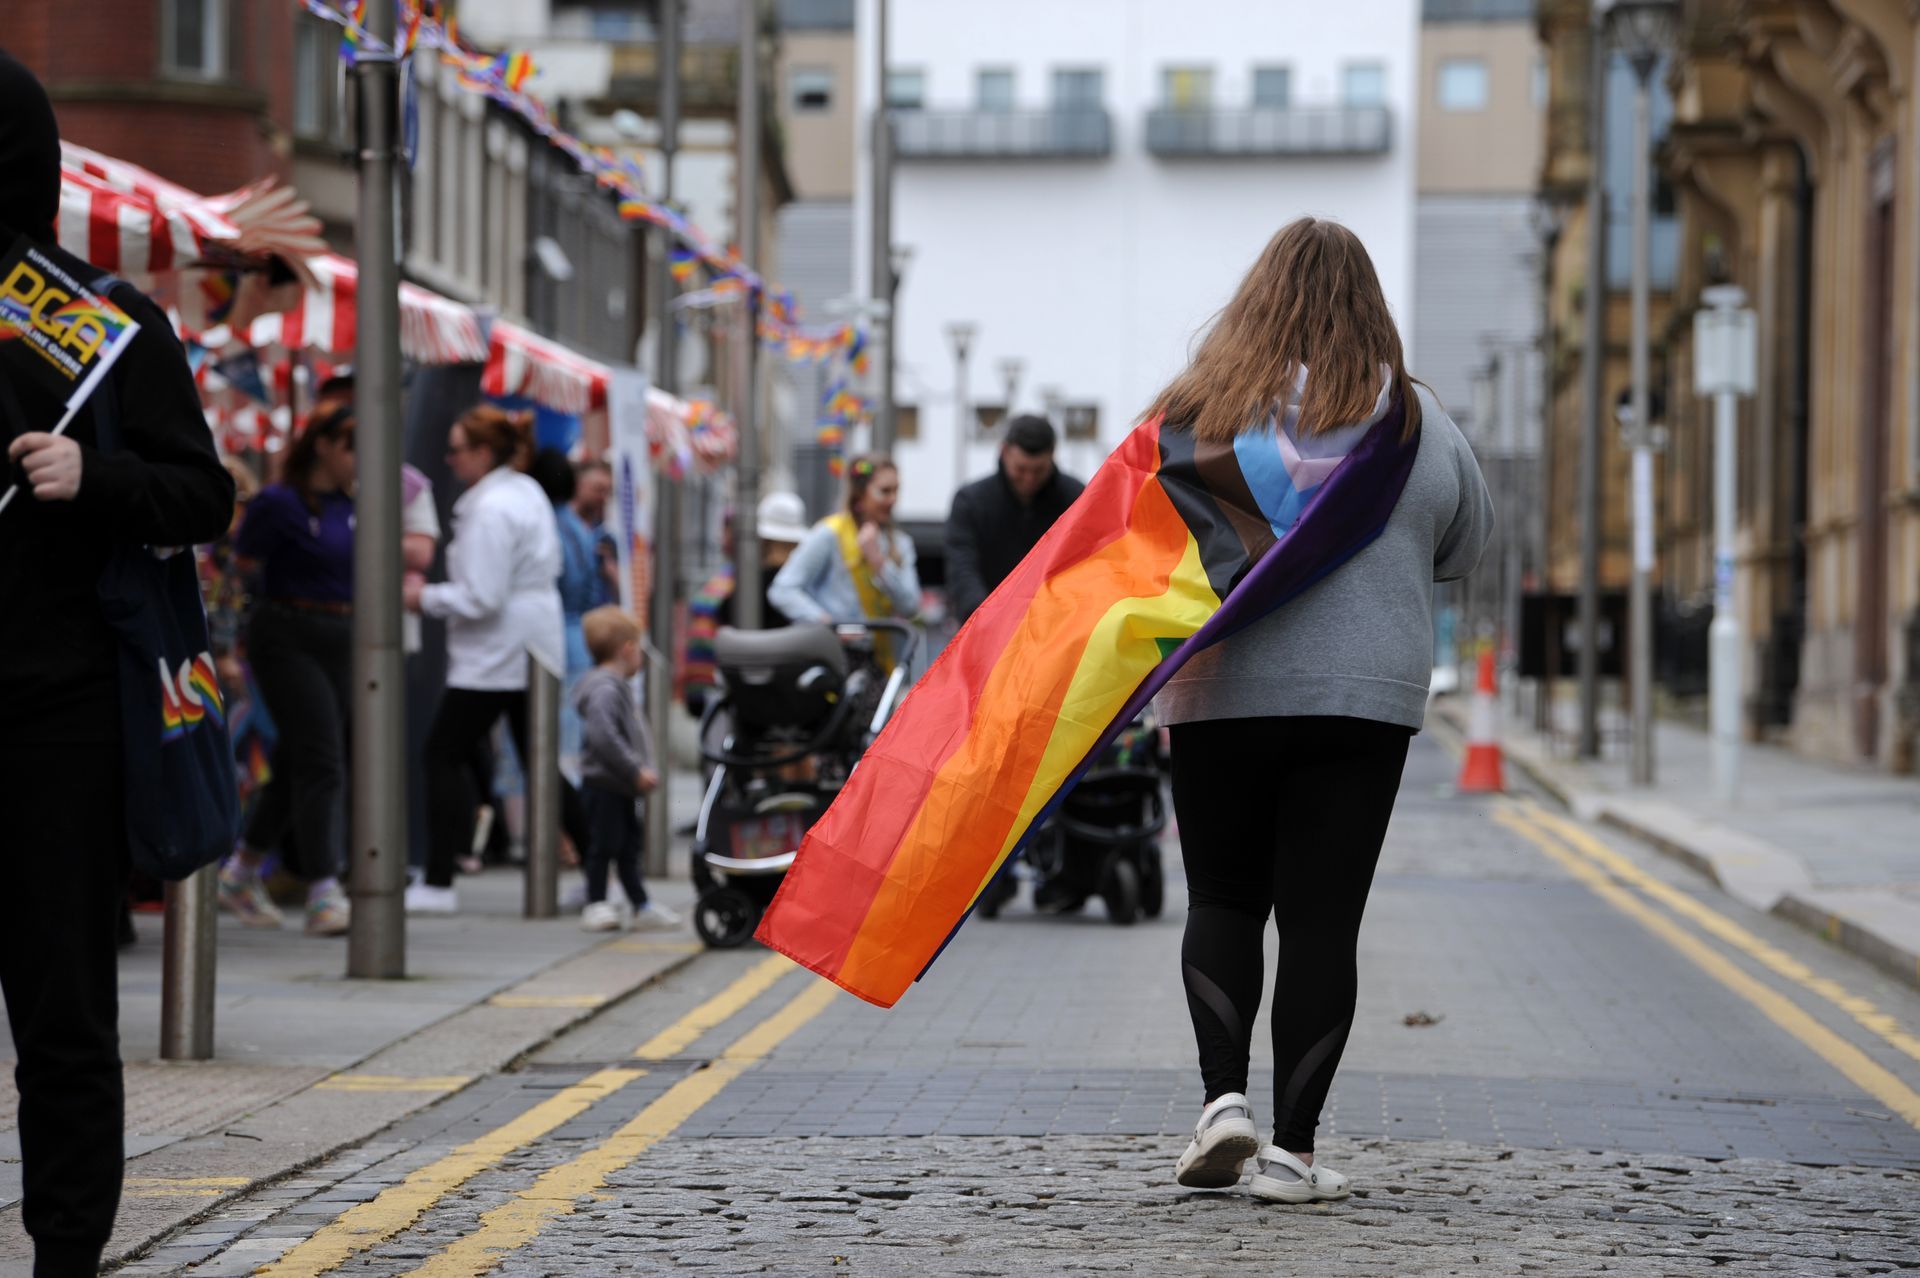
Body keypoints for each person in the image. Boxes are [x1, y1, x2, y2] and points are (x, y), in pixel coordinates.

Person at [1151, 218, 1492, 1202]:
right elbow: (1467, 547)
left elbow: (1134, 552)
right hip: (1361, 701)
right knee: (1320, 922)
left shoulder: (1194, 419)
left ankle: (1224, 1103)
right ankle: (1293, 1157)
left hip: (1220, 694)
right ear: (1368, 305)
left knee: (1222, 899)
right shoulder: (1416, 425)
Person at [0, 51, 235, 1278]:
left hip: (58, 718)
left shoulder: (102, 323)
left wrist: (100, 478)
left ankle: (64, 1259)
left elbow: (207, 495)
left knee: (62, 1017)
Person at [404, 406, 591, 914]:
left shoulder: (491, 509)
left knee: (442, 754)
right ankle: (607, 875)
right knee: (539, 764)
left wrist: (424, 598)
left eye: (457, 449)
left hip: (497, 654)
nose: (450, 459)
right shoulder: (523, 492)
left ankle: (439, 880)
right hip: (527, 646)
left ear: (483, 453)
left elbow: (481, 596)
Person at [215, 407, 359, 935]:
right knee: (322, 757)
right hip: (286, 634)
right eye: (351, 446)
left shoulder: (353, 505)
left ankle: (242, 869)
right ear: (322, 445)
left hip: (342, 639)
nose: (359, 459)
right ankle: (324, 889)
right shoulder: (278, 502)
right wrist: (227, 646)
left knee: (301, 757)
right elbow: (236, 574)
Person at [574, 605, 680, 932]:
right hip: (606, 785)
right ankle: (596, 903)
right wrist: (635, 769)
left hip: (618, 786)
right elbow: (603, 737)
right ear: (628, 649)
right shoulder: (606, 689)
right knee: (603, 847)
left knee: (628, 849)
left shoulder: (612, 686)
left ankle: (640, 904)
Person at [945, 414, 1084, 623]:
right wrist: (983, 619)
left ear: (1053, 455)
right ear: (1004, 452)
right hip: (986, 627)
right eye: (1021, 469)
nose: (1029, 479)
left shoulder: (1077, 499)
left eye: (1038, 470)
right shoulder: (971, 502)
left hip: (1056, 627)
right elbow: (962, 570)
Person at [769, 456, 920, 629]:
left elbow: (911, 606)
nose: (893, 499)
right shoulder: (829, 534)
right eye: (885, 491)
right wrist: (826, 623)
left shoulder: (901, 543)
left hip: (885, 654)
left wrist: (879, 563)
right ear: (860, 494)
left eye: (896, 490)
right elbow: (782, 590)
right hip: (836, 652)